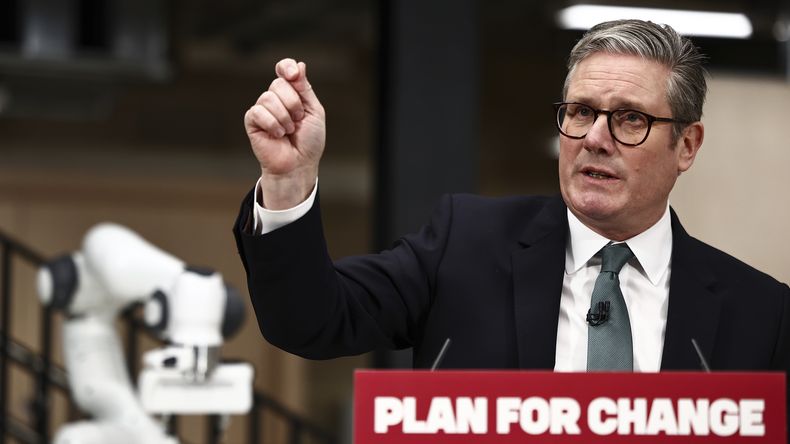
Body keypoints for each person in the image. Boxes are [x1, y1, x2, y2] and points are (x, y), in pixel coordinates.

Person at [233, 20, 790, 377]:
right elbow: (308, 321)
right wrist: (289, 180)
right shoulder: (466, 244)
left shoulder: (761, 314)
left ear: (686, 145)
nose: (595, 138)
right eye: (580, 112)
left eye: (629, 119)